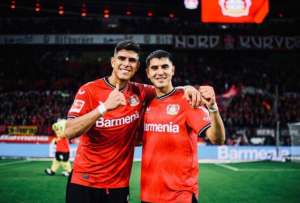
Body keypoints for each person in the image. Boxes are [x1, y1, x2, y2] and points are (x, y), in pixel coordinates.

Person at [53, 40, 203, 203]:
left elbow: (166, 88)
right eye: (122, 58)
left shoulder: (141, 91)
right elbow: (68, 131)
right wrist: (104, 108)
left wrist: (186, 88)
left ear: (137, 66)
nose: (126, 64)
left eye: (131, 60)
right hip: (84, 181)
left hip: (118, 186)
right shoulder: (89, 90)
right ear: (113, 61)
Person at [141, 50, 226, 203]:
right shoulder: (146, 100)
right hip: (149, 195)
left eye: (165, 67)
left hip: (180, 196)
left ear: (172, 70)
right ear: (147, 73)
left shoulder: (188, 100)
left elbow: (217, 139)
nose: (160, 72)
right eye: (154, 68)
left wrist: (213, 107)